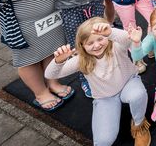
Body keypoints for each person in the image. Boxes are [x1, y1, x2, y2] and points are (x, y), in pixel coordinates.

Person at [45, 18, 150, 146]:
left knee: (137, 95)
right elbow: (50, 74)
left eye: (100, 39)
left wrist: (110, 32)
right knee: (103, 141)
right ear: (82, 45)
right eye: (90, 43)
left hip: (128, 83)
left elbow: (127, 39)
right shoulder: (81, 60)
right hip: (105, 97)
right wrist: (58, 61)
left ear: (107, 36)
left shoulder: (116, 45)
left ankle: (139, 124)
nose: (96, 45)